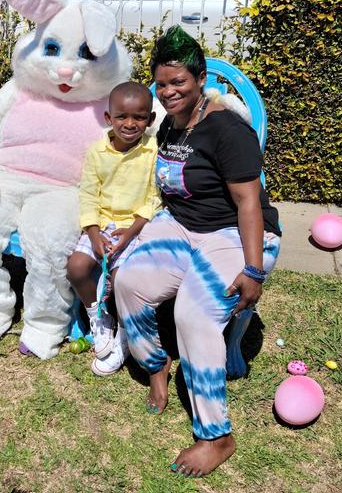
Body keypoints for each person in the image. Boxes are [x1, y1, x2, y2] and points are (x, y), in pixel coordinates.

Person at [113, 26, 281, 477]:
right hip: (183, 226)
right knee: (128, 281)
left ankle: (216, 436)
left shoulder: (228, 130)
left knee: (193, 314)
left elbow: (249, 203)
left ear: (201, 79)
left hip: (236, 234)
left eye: (179, 82)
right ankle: (156, 366)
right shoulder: (170, 123)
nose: (168, 92)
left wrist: (253, 269)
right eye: (161, 84)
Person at [66, 82, 161, 376]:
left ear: (150, 120)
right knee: (77, 267)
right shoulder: (97, 152)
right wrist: (93, 233)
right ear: (109, 118)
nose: (130, 124)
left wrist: (131, 231)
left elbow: (154, 196)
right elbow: (88, 194)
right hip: (102, 224)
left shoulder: (153, 151)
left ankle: (124, 331)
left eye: (139, 117)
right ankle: (99, 317)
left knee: (123, 279)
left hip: (136, 227)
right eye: (122, 116)